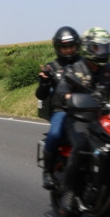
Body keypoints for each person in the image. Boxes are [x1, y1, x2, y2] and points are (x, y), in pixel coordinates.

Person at [54, 27, 110, 211]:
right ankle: (70, 190)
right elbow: (63, 86)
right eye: (98, 47)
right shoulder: (75, 68)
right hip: (79, 119)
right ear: (88, 47)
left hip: (103, 120)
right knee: (81, 145)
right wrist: (67, 96)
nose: (102, 52)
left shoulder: (109, 70)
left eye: (105, 47)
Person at [37, 26, 82, 190]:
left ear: (77, 45)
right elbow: (41, 95)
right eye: (65, 47)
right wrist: (44, 83)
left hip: (86, 110)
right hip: (62, 110)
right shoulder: (52, 67)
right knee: (55, 133)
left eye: (71, 46)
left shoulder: (85, 64)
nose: (69, 50)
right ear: (58, 48)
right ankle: (48, 172)